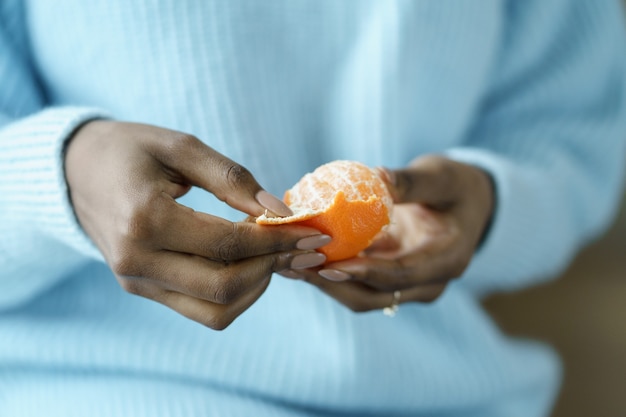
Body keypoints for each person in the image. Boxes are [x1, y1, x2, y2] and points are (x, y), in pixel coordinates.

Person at [1, 1, 625, 416]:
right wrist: (60, 173)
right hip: (97, 386)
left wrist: (491, 204)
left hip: (434, 392)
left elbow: (571, 128)